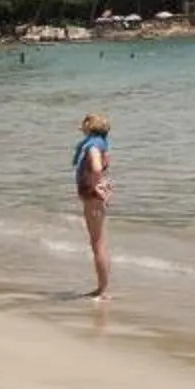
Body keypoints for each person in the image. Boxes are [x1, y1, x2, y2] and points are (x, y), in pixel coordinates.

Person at [72, 113, 114, 300]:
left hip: (92, 196)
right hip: (93, 195)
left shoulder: (93, 146)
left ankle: (102, 290)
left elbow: (97, 168)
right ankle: (102, 287)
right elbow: (103, 166)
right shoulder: (102, 144)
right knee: (98, 242)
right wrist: (102, 182)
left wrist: (97, 184)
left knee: (98, 244)